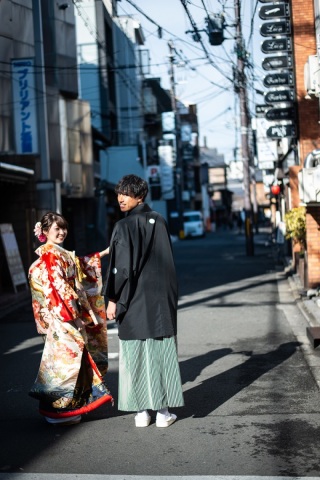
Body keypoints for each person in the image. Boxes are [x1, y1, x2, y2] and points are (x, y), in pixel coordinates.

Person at [103, 174, 184, 428]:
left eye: (125, 193)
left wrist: (113, 298)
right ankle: (162, 413)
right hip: (160, 298)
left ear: (140, 195)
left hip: (133, 299)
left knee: (134, 354)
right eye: (119, 193)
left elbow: (120, 268)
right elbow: (168, 263)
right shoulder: (158, 220)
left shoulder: (123, 226)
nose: (120, 198)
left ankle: (141, 413)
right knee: (160, 352)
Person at [28, 212, 113, 425]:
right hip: (61, 316)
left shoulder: (58, 253)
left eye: (63, 228)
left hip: (63, 314)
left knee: (68, 362)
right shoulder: (50, 255)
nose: (62, 232)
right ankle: (57, 412)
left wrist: (101, 254)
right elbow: (58, 288)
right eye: (57, 229)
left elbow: (78, 265)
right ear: (45, 232)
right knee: (65, 364)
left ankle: (68, 406)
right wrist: (73, 317)